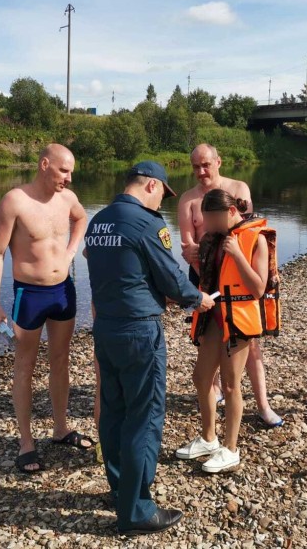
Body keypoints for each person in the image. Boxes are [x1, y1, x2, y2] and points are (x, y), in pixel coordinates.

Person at [85, 161, 216, 536]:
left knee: (113, 412)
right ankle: (136, 510)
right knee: (143, 416)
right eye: (163, 193)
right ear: (152, 186)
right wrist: (197, 298)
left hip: (105, 328)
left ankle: (119, 490)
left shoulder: (99, 221)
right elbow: (172, 279)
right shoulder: (146, 222)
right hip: (139, 331)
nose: (163, 201)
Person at [0, 144, 90, 474]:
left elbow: (82, 218)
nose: (69, 178)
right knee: (25, 364)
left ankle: (60, 428)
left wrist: (72, 250)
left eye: (71, 171)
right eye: (63, 170)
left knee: (61, 358)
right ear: (45, 165)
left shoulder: (68, 200)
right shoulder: (15, 201)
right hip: (29, 294)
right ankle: (26, 443)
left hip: (63, 291)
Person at [177, 143, 283, 428]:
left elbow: (250, 234)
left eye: (206, 165)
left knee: (250, 346)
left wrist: (241, 267)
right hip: (204, 277)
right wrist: (206, 272)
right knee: (206, 340)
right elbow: (189, 247)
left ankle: (262, 404)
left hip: (241, 276)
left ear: (218, 162)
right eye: (196, 167)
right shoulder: (188, 200)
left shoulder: (238, 188)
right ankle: (213, 395)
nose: (201, 171)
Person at [177, 189, 279, 473]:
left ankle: (231, 449)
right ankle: (209, 438)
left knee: (232, 384)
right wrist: (196, 258)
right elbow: (208, 277)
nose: (208, 227)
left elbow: (258, 288)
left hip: (239, 319)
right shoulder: (212, 239)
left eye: (212, 220)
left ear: (231, 212)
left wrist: (237, 256)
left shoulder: (255, 239)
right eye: (206, 221)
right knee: (201, 378)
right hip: (213, 316)